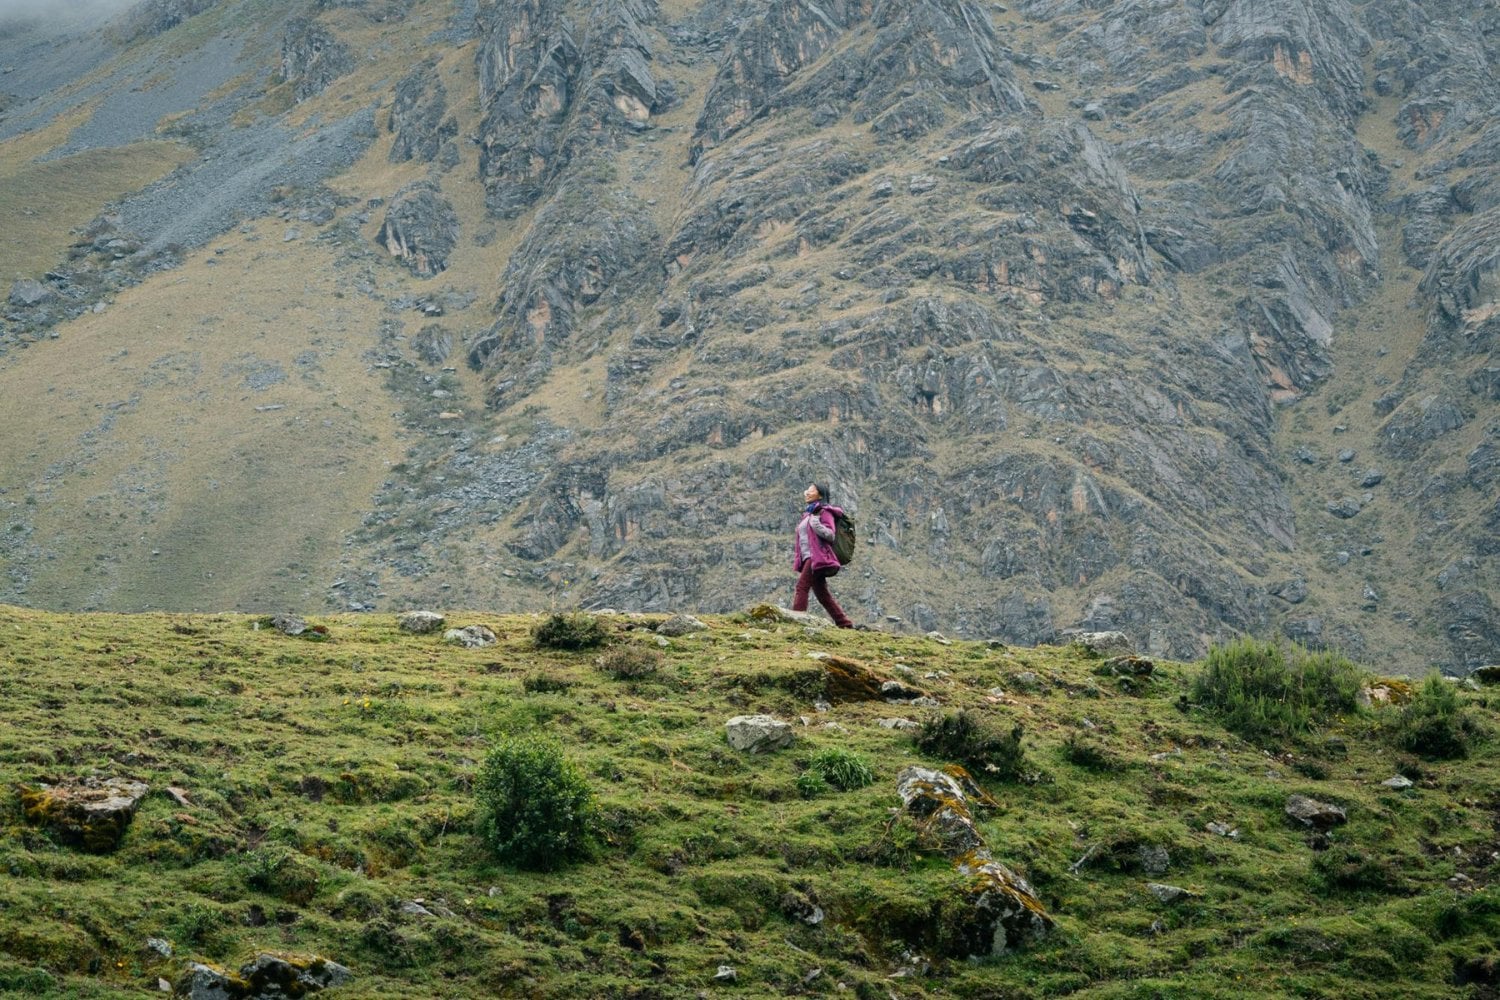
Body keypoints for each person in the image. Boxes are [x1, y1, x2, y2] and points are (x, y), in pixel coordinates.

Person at [791, 482, 853, 629]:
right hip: (809, 557)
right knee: (821, 593)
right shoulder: (809, 514)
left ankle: (796, 620)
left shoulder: (824, 512)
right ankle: (845, 623)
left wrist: (816, 523)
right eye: (807, 490)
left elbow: (830, 535)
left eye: (811, 490)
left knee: (802, 587)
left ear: (820, 495)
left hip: (816, 556)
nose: (806, 492)